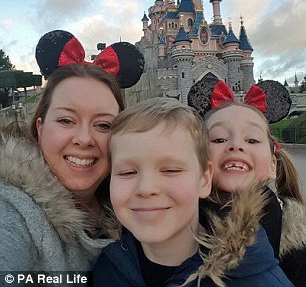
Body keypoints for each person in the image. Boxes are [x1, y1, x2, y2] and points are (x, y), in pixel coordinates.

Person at [93, 97, 293, 287]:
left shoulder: (260, 279)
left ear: (204, 179)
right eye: (127, 172)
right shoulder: (105, 267)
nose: (146, 188)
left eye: (171, 170)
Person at [0, 29, 144, 273]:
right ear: (40, 127)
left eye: (103, 125)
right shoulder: (13, 208)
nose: (84, 139)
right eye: (66, 120)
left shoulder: (141, 205)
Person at [199, 80, 306, 287]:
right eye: (219, 139)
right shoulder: (173, 230)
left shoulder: (298, 250)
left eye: (253, 140)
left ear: (273, 165)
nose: (236, 145)